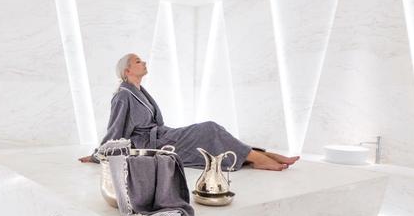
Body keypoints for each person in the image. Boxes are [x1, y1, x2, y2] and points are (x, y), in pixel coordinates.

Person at [78, 53, 300, 171]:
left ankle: (258, 155)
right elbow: (115, 129)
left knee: (211, 130)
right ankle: (257, 158)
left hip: (161, 135)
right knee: (209, 129)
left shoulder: (140, 91)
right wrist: (98, 155)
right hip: (150, 146)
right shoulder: (123, 95)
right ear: (127, 70)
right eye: (138, 61)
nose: (144, 62)